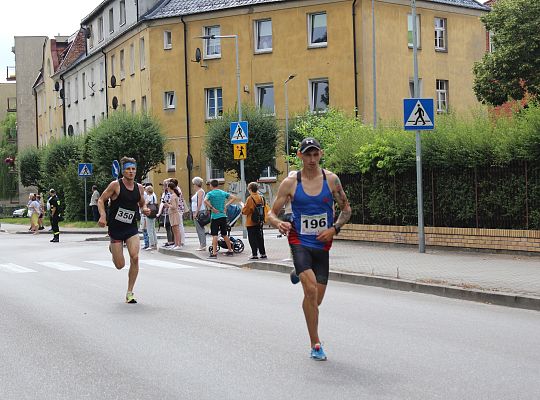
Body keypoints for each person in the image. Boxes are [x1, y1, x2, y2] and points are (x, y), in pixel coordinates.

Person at [267, 137, 352, 361]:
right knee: (311, 292)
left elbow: (346, 210)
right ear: (300, 156)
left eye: (316, 154)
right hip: (299, 240)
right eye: (308, 154)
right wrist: (278, 223)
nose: (312, 159)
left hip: (323, 243)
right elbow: (270, 213)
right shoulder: (290, 183)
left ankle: (299, 273)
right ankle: (315, 343)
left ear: (320, 154)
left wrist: (334, 228)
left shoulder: (331, 180)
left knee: (316, 300)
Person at [97, 157, 150, 304]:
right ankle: (112, 248)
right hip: (115, 228)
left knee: (135, 257)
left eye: (133, 169)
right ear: (123, 170)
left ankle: (130, 292)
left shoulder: (139, 187)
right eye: (128, 169)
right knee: (120, 265)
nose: (131, 172)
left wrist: (144, 208)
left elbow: (142, 202)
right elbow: (101, 200)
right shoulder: (116, 185)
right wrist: (103, 215)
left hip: (131, 227)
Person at [204, 179, 239, 259]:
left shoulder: (210, 193)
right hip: (223, 216)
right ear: (218, 185)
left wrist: (212, 208)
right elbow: (234, 197)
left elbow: (205, 200)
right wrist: (226, 205)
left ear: (211, 185)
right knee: (224, 234)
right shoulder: (222, 193)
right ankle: (230, 250)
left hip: (215, 216)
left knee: (215, 235)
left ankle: (214, 253)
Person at [242, 182, 267, 260]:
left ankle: (254, 254)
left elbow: (246, 211)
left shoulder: (250, 198)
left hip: (251, 221)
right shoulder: (261, 197)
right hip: (260, 220)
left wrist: (242, 208)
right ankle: (263, 253)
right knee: (260, 237)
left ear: (250, 189)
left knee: (252, 238)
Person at [156, 179, 174, 248]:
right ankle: (170, 241)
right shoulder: (165, 193)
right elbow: (162, 203)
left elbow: (166, 203)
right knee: (167, 226)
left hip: (169, 212)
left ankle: (171, 241)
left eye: (164, 185)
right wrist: (159, 212)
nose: (163, 187)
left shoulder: (169, 194)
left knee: (170, 227)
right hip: (165, 212)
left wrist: (160, 211)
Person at [191, 176, 207, 251]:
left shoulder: (200, 191)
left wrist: (196, 212)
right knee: (198, 229)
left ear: (196, 184)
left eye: (193, 184)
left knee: (200, 228)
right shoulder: (198, 191)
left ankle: (203, 245)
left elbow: (200, 203)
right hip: (197, 211)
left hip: (199, 211)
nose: (193, 185)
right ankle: (202, 244)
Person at [166, 181, 183, 250]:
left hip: (174, 213)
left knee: (176, 230)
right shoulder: (174, 195)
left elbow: (174, 206)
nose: (167, 189)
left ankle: (178, 244)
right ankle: (176, 244)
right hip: (173, 213)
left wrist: (167, 205)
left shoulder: (173, 196)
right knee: (174, 229)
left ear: (170, 188)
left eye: (168, 188)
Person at [144, 185, 158, 251]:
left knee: (149, 230)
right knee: (153, 229)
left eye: (146, 190)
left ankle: (151, 244)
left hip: (149, 213)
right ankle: (155, 243)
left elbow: (146, 203)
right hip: (154, 213)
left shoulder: (149, 196)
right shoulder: (154, 195)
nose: (145, 191)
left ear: (148, 190)